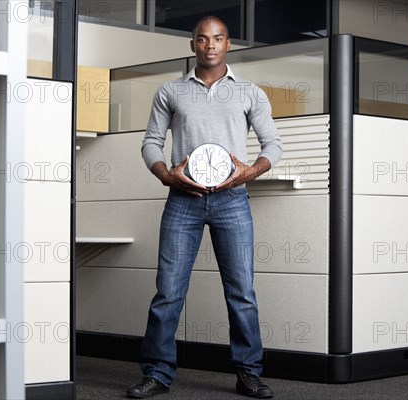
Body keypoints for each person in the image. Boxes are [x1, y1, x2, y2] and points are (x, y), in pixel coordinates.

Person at [126, 15, 282, 399]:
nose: (210, 45)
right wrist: (167, 175)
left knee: (242, 291)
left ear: (229, 44)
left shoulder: (250, 92)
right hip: (183, 201)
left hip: (232, 201)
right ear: (193, 45)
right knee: (168, 291)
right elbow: (150, 142)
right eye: (202, 39)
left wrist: (249, 173)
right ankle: (157, 374)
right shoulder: (170, 92)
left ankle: (249, 372)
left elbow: (273, 145)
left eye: (218, 38)